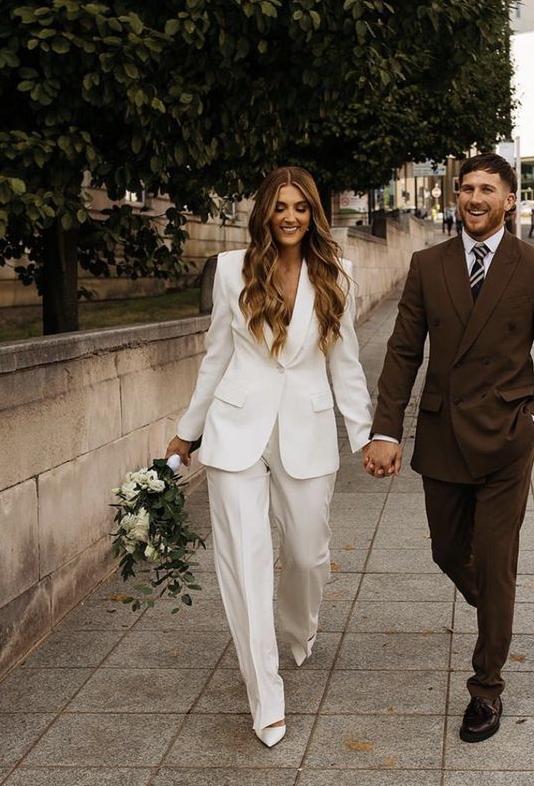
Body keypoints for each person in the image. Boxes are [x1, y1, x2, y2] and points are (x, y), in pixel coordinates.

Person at [362, 153, 534, 743]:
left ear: (510, 199)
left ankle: (487, 687)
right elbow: (404, 353)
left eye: (487, 189)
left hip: (509, 441)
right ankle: (498, 612)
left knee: (496, 557)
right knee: (448, 551)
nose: (474, 198)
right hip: (443, 435)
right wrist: (385, 430)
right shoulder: (428, 265)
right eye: (465, 189)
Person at [167, 167, 373, 748]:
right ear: (264, 212)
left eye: (300, 207)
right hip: (234, 430)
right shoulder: (232, 270)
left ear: (313, 214)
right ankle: (266, 696)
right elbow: (216, 355)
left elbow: (346, 364)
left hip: (305, 431)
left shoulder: (338, 274)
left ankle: (299, 626)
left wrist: (365, 435)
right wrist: (189, 432)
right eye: (280, 206)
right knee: (245, 565)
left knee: (309, 555)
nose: (289, 216)